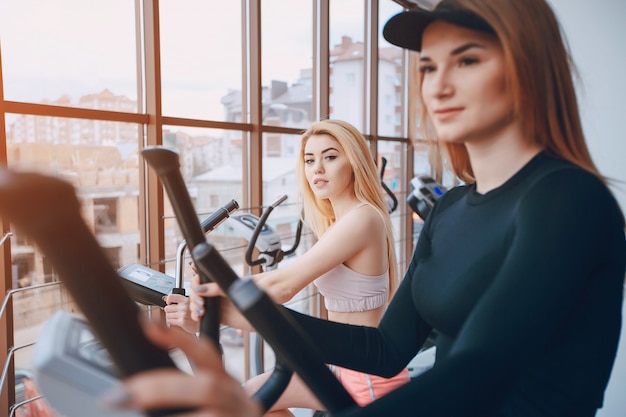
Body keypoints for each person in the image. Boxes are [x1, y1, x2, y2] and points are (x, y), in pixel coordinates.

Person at [101, 0, 626, 416]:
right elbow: (385, 350)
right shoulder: (452, 211)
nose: (438, 85)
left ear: (527, 69)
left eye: (467, 60)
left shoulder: (567, 200)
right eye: (427, 66)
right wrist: (247, 314)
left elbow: (478, 371)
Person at [163, 118, 410, 414]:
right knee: (251, 399)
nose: (317, 168)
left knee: (245, 402)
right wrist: (211, 293)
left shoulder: (363, 218)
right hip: (339, 364)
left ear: (354, 162)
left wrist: (215, 297)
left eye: (330, 157)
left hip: (366, 375)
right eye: (309, 160)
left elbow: (284, 286)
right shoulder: (336, 224)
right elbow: (283, 285)